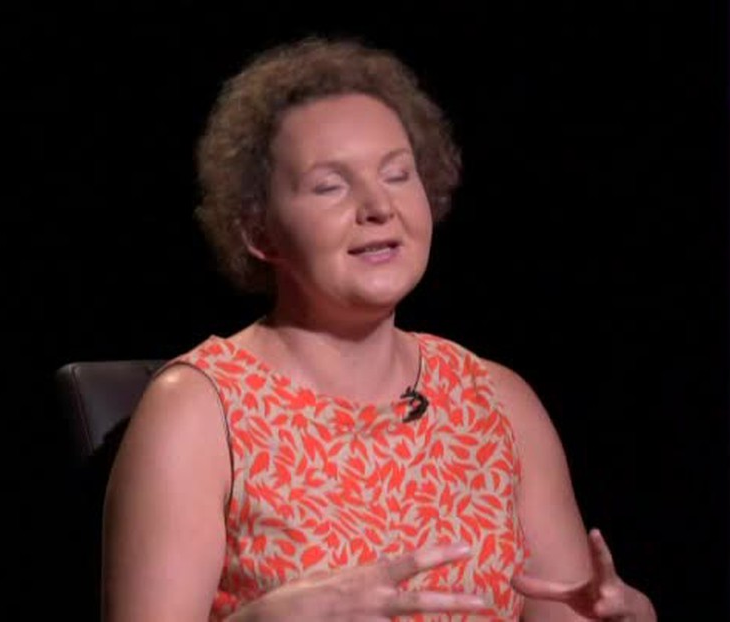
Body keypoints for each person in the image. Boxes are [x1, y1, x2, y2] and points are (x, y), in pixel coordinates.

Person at [102, 36, 658, 621]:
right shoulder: (198, 411)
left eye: (397, 175)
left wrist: (630, 618)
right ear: (258, 230)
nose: (378, 206)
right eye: (330, 186)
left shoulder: (499, 403)